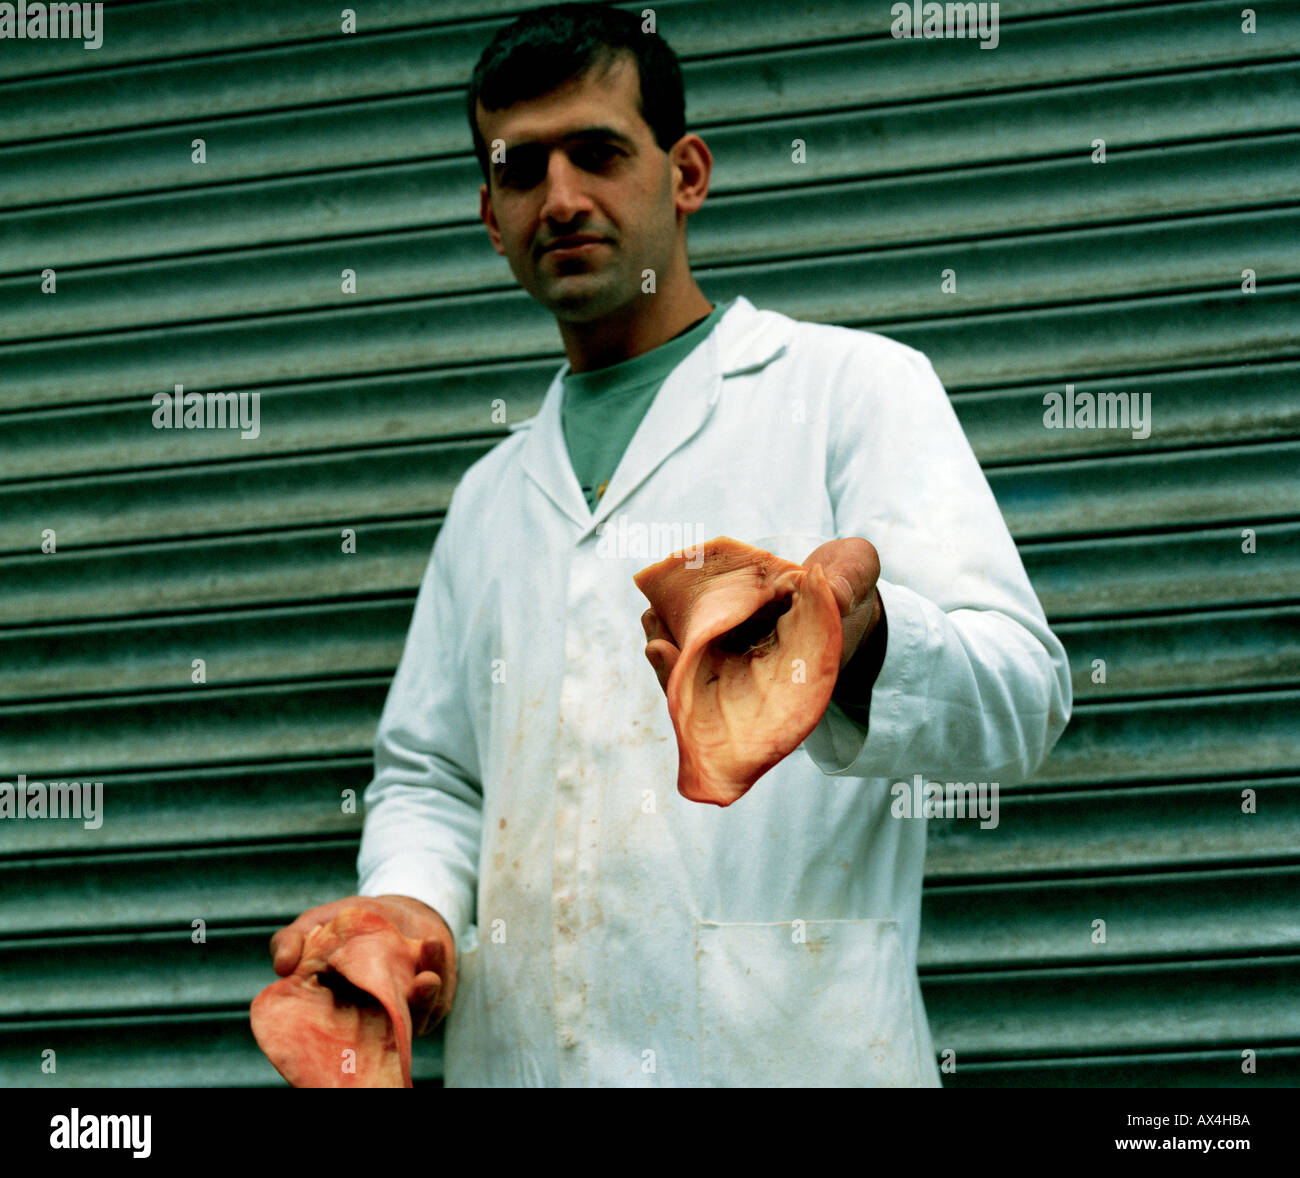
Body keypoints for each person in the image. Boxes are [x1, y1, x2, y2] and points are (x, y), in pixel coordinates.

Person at [267, 1, 1072, 1087]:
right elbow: (434, 775)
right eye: (520, 170)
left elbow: (1023, 699)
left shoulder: (850, 392)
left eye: (597, 152)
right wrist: (407, 912)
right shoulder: (488, 498)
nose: (560, 198)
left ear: (685, 173)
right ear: (489, 215)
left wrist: (854, 640)